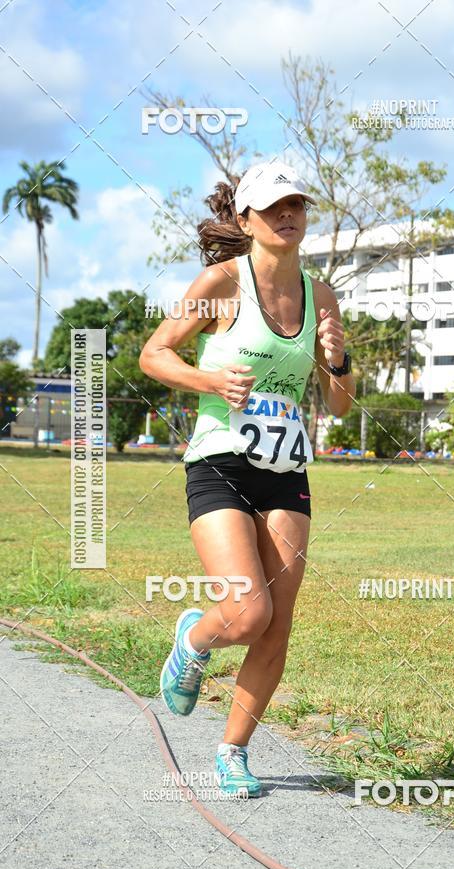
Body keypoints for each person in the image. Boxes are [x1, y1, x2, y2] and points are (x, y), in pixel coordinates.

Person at [139, 160, 356, 797]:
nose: (288, 215)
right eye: (272, 208)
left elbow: (339, 404)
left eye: (296, 205)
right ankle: (196, 635)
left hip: (286, 469)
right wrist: (209, 380)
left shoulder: (323, 293)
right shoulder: (221, 282)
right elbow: (155, 354)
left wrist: (337, 357)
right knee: (247, 610)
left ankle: (233, 752)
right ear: (246, 220)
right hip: (220, 462)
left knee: (279, 622)